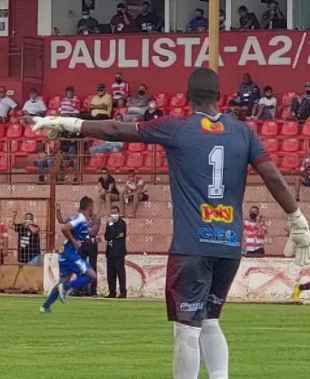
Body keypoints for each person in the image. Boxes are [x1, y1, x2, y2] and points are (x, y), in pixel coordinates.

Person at [32, 67, 310, 379]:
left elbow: (116, 130)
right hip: (229, 247)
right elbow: (272, 175)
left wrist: (67, 124)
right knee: (210, 321)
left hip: (192, 246)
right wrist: (297, 219)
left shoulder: (177, 127)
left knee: (186, 329)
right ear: (220, 98)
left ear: (188, 97)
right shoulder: (244, 132)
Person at [41, 196, 99, 313]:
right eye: (93, 207)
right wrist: (74, 242)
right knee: (92, 276)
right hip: (70, 254)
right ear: (89, 207)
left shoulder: (79, 219)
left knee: (63, 281)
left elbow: (82, 238)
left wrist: (94, 240)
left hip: (64, 254)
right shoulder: (80, 219)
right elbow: (65, 228)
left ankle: (45, 306)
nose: (93, 210)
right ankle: (66, 289)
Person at [104, 205, 128, 298]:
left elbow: (116, 232)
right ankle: (112, 291)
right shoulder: (109, 224)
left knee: (120, 272)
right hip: (110, 251)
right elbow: (107, 236)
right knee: (110, 273)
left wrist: (111, 227)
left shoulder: (122, 223)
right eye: (112, 213)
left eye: (115, 213)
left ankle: (123, 291)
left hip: (118, 252)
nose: (113, 215)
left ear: (118, 213)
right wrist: (114, 234)